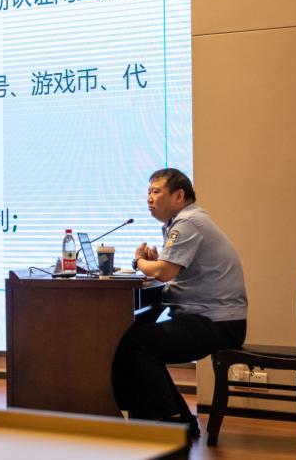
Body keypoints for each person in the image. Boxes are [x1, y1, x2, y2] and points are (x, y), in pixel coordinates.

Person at [112, 167, 247, 438]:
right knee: (137, 339)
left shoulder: (188, 223)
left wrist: (139, 261)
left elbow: (164, 272)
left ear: (179, 196)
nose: (149, 198)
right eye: (148, 192)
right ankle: (178, 419)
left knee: (135, 343)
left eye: (156, 191)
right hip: (213, 318)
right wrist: (155, 263)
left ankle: (171, 421)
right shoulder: (182, 222)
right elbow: (169, 269)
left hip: (217, 322)